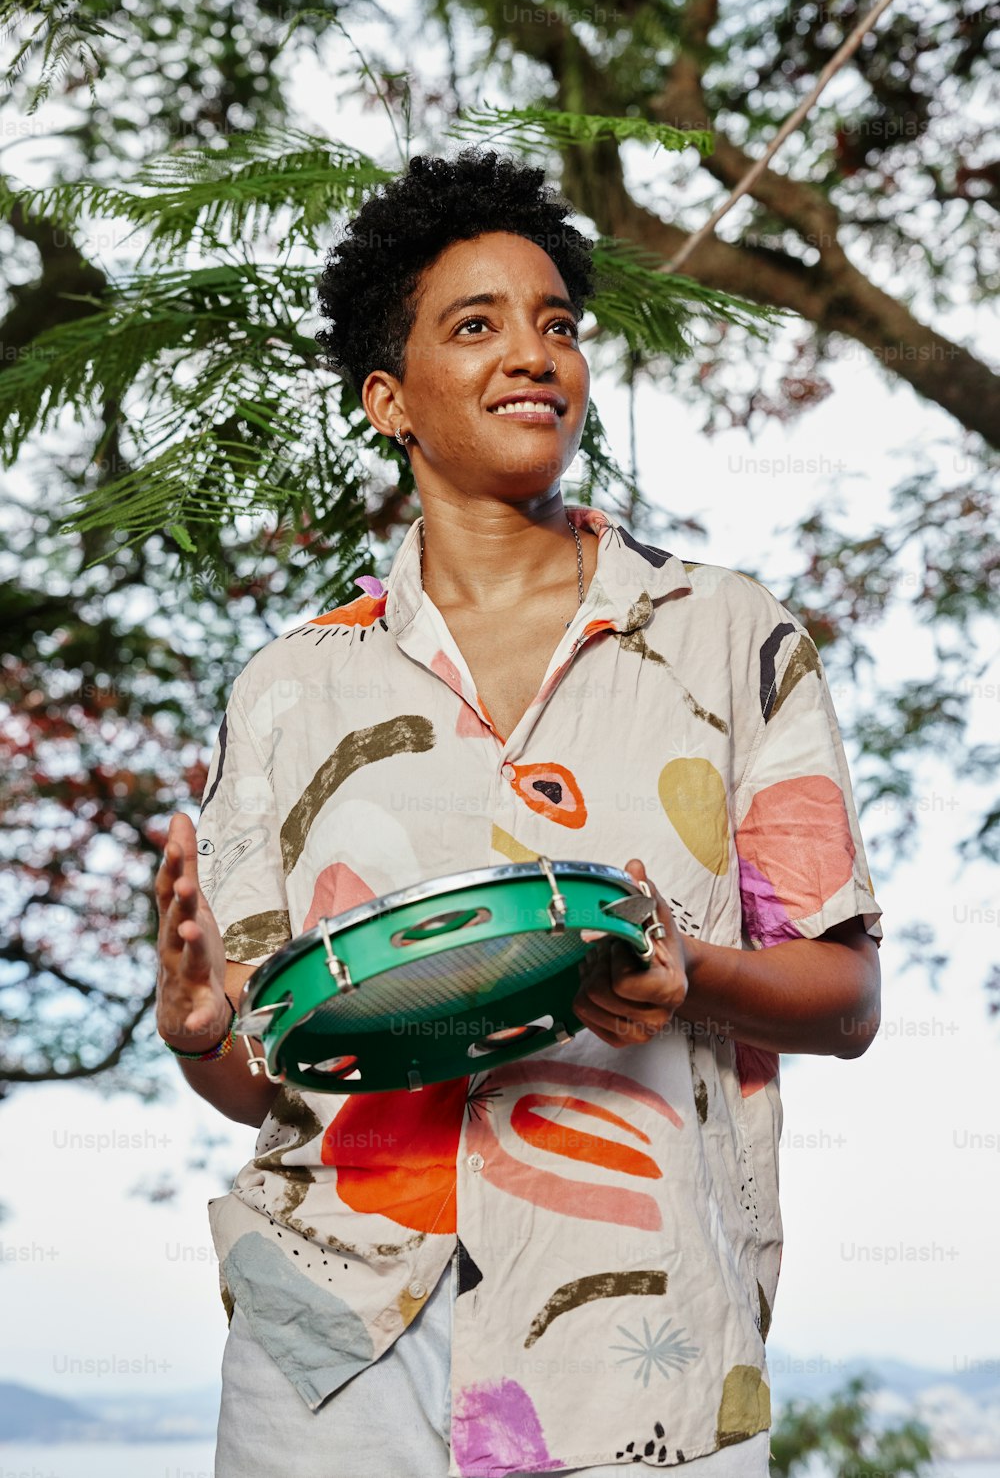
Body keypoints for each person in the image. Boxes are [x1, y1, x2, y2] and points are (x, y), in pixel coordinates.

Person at [155, 149, 882, 1478]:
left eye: (557, 324)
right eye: (475, 325)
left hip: (637, 1334)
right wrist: (201, 1032)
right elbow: (268, 1068)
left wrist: (690, 975)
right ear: (390, 400)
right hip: (332, 1346)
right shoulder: (290, 688)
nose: (534, 354)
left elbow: (848, 1000)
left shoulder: (728, 635)